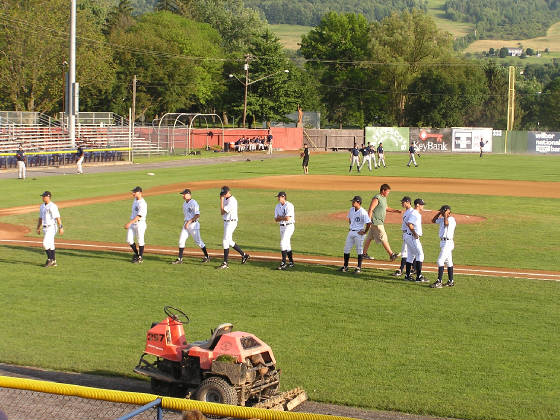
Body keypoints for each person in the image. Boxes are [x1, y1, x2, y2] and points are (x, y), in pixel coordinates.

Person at [172, 189, 210, 264]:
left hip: (193, 225)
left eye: (184, 194)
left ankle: (207, 256)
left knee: (198, 242)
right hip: (186, 225)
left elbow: (197, 215)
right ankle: (180, 259)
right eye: (182, 194)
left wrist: (189, 222)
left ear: (189, 194)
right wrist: (186, 223)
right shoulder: (184, 204)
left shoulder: (194, 203)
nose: (182, 195)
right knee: (181, 241)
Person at [362, 184, 399, 261]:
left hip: (377, 222)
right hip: (376, 222)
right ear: (383, 191)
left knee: (369, 238)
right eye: (387, 191)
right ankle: (391, 254)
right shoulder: (377, 198)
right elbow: (371, 209)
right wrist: (368, 220)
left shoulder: (384, 198)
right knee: (383, 237)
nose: (388, 193)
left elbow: (386, 208)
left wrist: (395, 211)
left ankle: (364, 254)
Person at [218, 186, 249, 269]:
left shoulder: (232, 201)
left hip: (231, 222)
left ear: (228, 192)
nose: (223, 195)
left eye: (224, 194)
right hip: (226, 222)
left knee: (225, 240)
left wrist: (221, 200)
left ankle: (225, 263)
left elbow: (222, 212)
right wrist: (222, 200)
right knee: (229, 241)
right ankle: (244, 255)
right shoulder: (225, 199)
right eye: (222, 194)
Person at [339, 196, 371, 274]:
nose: (352, 203)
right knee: (346, 249)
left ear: (358, 202)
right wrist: (352, 226)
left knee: (359, 250)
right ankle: (345, 266)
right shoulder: (351, 209)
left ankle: (358, 267)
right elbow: (350, 218)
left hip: (359, 233)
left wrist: (365, 232)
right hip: (351, 232)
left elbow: (369, 223)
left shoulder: (363, 212)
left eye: (354, 202)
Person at [430, 205, 456, 288]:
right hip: (443, 242)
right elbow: (433, 220)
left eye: (442, 211)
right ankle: (450, 281)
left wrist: (445, 215)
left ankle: (439, 282)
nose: (441, 213)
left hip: (448, 243)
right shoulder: (442, 219)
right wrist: (439, 213)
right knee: (449, 262)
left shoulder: (451, 219)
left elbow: (446, 223)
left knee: (440, 261)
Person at [36, 191, 63, 267]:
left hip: (51, 227)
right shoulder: (42, 206)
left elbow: (57, 217)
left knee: (45, 243)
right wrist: (38, 227)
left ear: (48, 197)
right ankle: (54, 261)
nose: (43, 198)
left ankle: (49, 259)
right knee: (51, 245)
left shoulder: (52, 206)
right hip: (45, 228)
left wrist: (61, 227)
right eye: (42, 196)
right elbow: (40, 218)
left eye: (44, 196)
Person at [403, 198, 427, 282]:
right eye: (422, 204)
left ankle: (407, 275)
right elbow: (409, 224)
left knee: (410, 256)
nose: (423, 206)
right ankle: (419, 277)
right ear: (417, 205)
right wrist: (415, 233)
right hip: (412, 237)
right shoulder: (415, 214)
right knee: (420, 255)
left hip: (409, 236)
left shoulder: (414, 213)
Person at [124, 186, 147, 264]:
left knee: (140, 241)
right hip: (133, 223)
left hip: (140, 224)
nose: (133, 193)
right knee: (129, 240)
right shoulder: (135, 200)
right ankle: (137, 255)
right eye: (133, 192)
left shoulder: (142, 203)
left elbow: (139, 216)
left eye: (134, 192)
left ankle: (140, 258)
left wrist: (129, 223)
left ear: (140, 193)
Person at [274, 191, 295, 270]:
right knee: (287, 244)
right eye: (278, 197)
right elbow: (276, 219)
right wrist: (282, 218)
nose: (278, 198)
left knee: (283, 242)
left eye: (279, 197)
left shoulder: (289, 205)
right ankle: (291, 262)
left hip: (289, 226)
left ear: (283, 197)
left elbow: (288, 218)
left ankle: (283, 263)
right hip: (282, 227)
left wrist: (280, 217)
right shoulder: (277, 206)